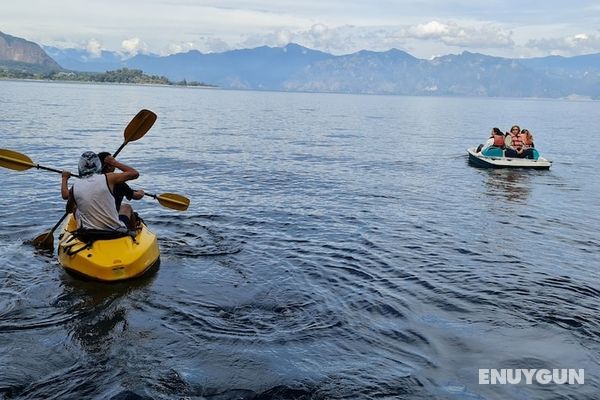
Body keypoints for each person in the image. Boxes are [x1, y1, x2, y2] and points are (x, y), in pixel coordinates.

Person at [61, 151, 139, 231]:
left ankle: (80, 226)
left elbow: (68, 209)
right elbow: (134, 173)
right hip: (114, 231)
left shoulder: (75, 186)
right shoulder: (109, 178)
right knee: (126, 207)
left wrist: (65, 178)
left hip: (88, 233)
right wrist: (114, 162)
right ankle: (133, 234)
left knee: (76, 207)